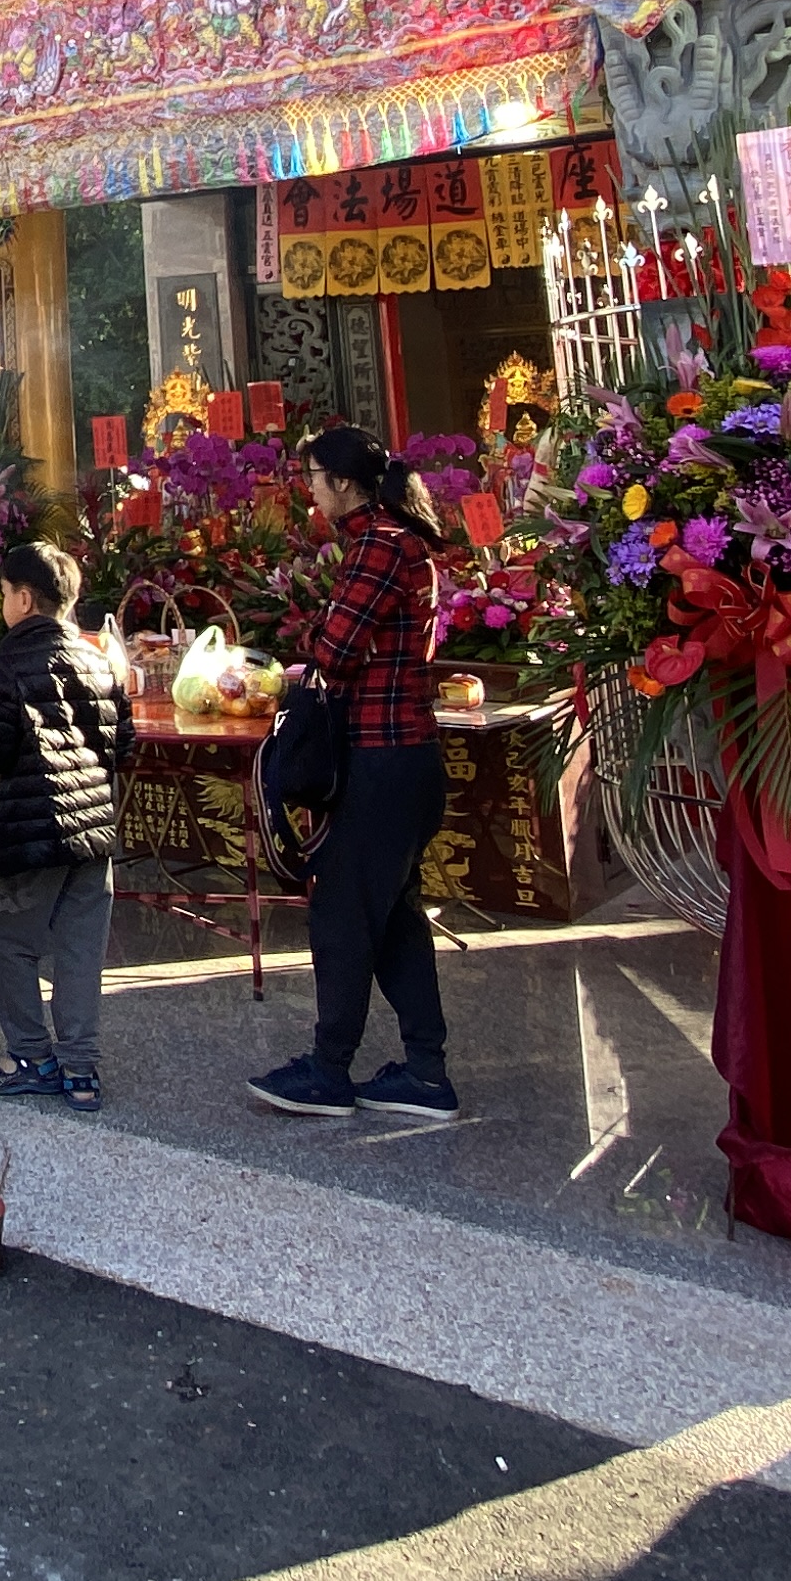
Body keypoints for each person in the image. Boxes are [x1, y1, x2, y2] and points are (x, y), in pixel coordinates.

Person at [248, 425, 456, 1124]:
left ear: (343, 482)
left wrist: (314, 638)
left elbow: (336, 651)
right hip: (411, 758)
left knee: (342, 914)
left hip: (380, 758)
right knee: (394, 918)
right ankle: (426, 1070)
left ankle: (329, 1069)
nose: (309, 491)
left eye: (313, 478)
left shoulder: (377, 546)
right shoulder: (409, 543)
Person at [0, 538, 130, 1115]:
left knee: (5, 937)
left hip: (33, 823)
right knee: (81, 947)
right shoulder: (100, 655)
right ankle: (81, 1069)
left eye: (6, 593)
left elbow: (0, 745)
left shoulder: (9, 657)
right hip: (95, 826)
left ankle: (31, 1056)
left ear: (25, 598)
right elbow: (122, 743)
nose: (4, 604)